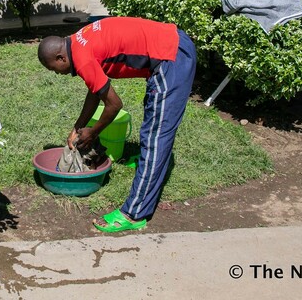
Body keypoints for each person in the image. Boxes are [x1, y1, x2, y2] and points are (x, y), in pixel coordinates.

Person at [38, 16, 196, 233]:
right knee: (154, 126)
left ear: (60, 58)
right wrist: (78, 127)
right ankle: (147, 166)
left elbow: (114, 105)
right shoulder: (77, 41)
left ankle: (134, 213)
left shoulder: (81, 58)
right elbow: (96, 89)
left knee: (155, 136)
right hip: (171, 45)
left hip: (171, 56)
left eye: (54, 69)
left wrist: (92, 133)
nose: (57, 74)